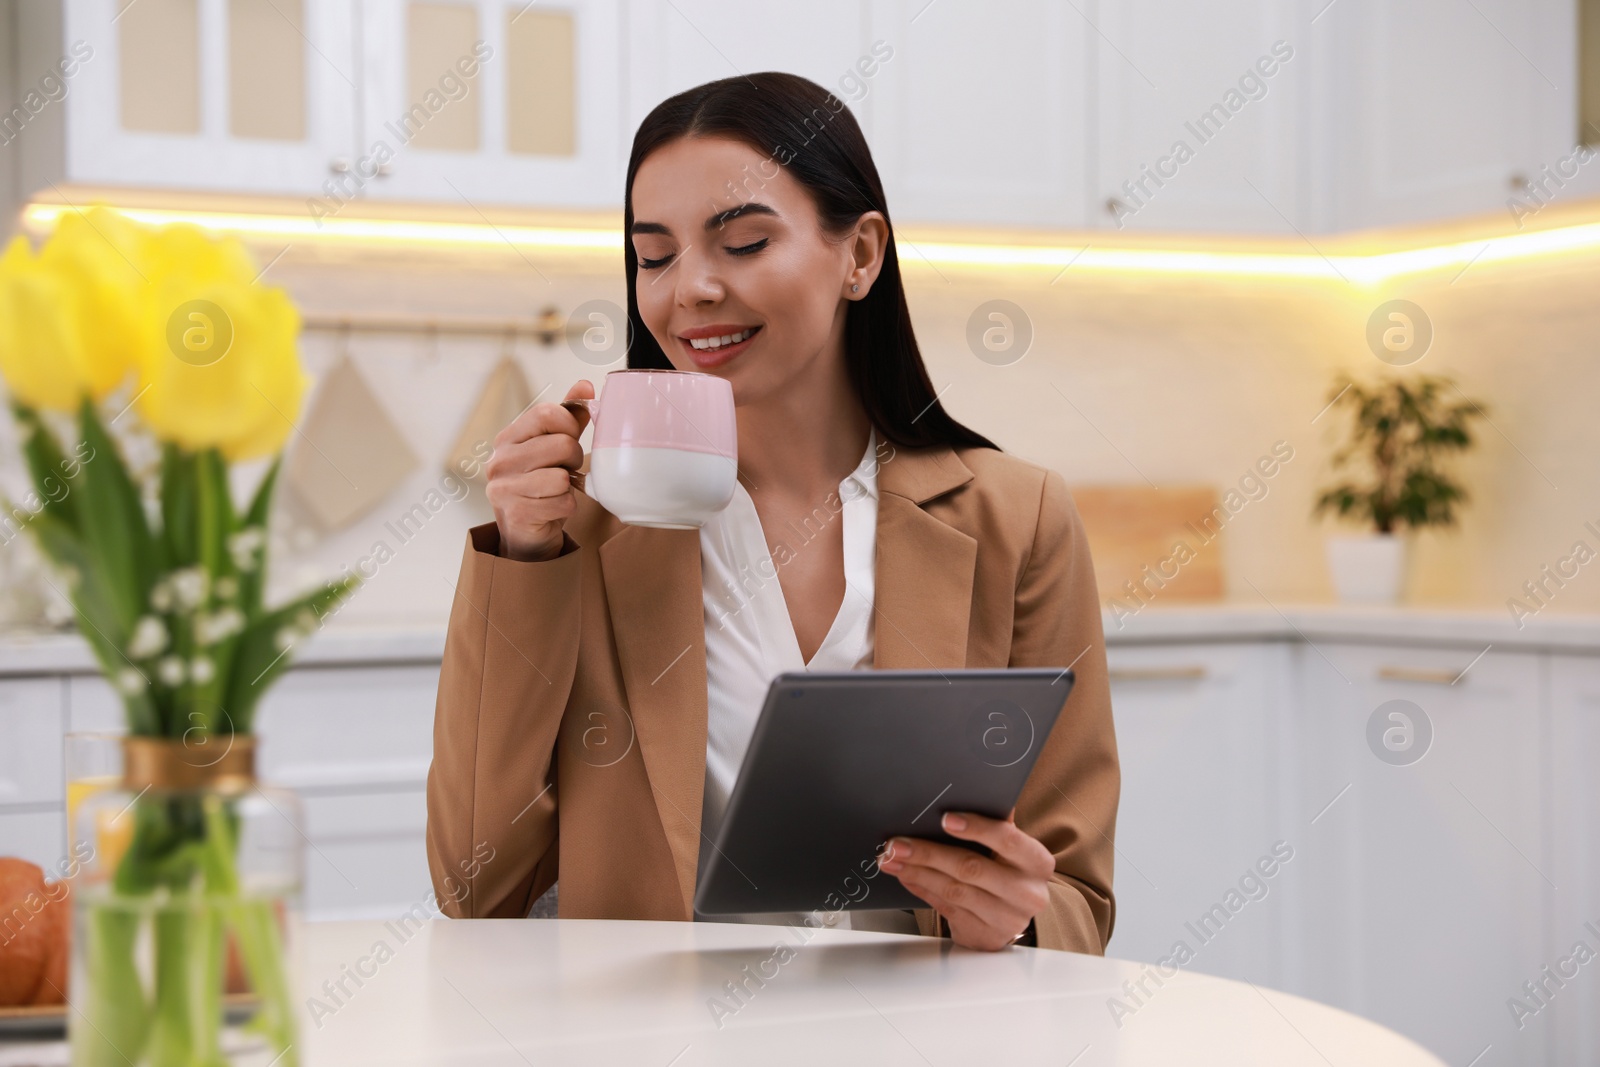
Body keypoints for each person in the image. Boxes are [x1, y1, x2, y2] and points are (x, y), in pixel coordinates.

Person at [426, 71, 1119, 953]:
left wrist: (1018, 916)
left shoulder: (1016, 520)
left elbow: (1077, 901)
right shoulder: (576, 537)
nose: (692, 290)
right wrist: (523, 560)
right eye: (655, 255)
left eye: (744, 243)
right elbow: (471, 887)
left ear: (860, 255)